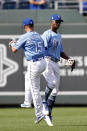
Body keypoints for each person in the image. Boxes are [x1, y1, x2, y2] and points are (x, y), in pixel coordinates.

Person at [9, 17, 53, 126]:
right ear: (33, 26)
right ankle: (27, 102)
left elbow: (14, 50)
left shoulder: (24, 36)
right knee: (27, 78)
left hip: (34, 63)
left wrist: (12, 44)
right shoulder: (38, 35)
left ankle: (39, 114)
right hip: (43, 62)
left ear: (25, 27)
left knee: (35, 90)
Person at [42, 14, 75, 123]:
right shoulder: (47, 34)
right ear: (51, 22)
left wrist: (69, 59)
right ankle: (43, 103)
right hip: (47, 60)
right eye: (56, 21)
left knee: (55, 90)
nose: (58, 23)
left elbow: (60, 52)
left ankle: (48, 115)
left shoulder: (59, 36)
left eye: (59, 21)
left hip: (56, 62)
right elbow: (43, 48)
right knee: (53, 83)